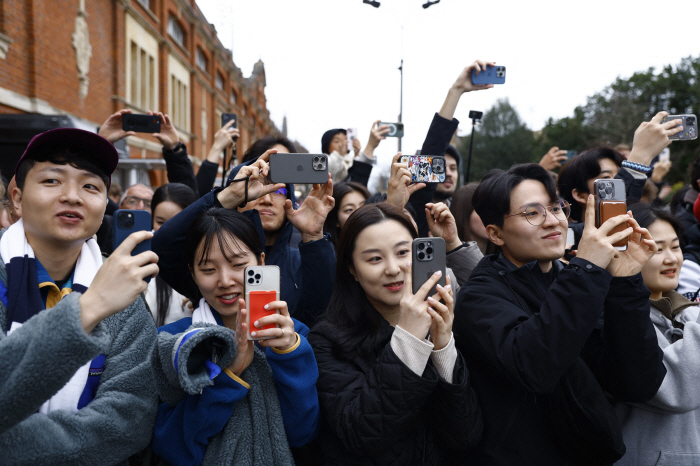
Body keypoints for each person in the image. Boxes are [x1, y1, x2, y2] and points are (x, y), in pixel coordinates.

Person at [453, 163, 665, 465]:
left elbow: (638, 383)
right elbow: (535, 367)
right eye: (532, 213)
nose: (553, 222)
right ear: (495, 234)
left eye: (556, 209)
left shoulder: (574, 278)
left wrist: (626, 282)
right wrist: (587, 269)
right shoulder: (478, 296)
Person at [0, 128, 159, 464]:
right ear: (16, 197)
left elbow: (129, 419)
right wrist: (90, 308)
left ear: (104, 204)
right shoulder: (108, 294)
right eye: (52, 181)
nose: (73, 196)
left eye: (90, 186)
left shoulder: (125, 297)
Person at [309, 202, 482, 465]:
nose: (392, 269)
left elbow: (466, 436)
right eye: (374, 258)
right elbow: (362, 434)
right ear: (352, 269)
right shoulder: (326, 341)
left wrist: (443, 347)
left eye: (403, 252)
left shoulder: (446, 323)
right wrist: (408, 340)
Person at [151, 207, 319, 466]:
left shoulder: (291, 336)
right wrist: (230, 373)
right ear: (192, 274)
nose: (225, 280)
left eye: (239, 265)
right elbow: (174, 447)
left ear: (261, 262)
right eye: (208, 269)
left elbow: (302, 432)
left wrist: (289, 354)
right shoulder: (172, 342)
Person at [153, 149, 336, 329]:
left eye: (278, 190)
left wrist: (313, 238)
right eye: (254, 189)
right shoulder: (206, 261)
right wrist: (228, 196)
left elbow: (321, 315)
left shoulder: (305, 260)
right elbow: (163, 247)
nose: (225, 281)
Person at [614, 203, 700, 465]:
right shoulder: (620, 322)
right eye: (656, 249)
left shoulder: (688, 316)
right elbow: (677, 389)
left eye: (675, 246)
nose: (671, 258)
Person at [557, 112, 684, 247]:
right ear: (580, 195)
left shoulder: (640, 233)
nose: (619, 184)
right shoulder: (566, 240)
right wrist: (640, 157)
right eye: (606, 179)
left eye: (619, 174)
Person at [408, 59, 495, 236]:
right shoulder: (413, 212)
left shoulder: (466, 216)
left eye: (454, 168)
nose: (448, 173)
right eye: (440, 167)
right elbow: (432, 150)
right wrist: (456, 91)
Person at [147, 182, 198, 326]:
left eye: (176, 224)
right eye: (160, 222)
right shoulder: (139, 259)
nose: (166, 231)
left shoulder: (205, 258)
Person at [450, 182, 496, 255]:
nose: (492, 215)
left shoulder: (506, 258)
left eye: (495, 209)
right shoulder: (444, 263)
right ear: (463, 214)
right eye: (483, 210)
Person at [323, 181, 370, 247]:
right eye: (349, 209)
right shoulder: (328, 253)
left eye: (364, 205)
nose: (360, 212)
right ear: (336, 221)